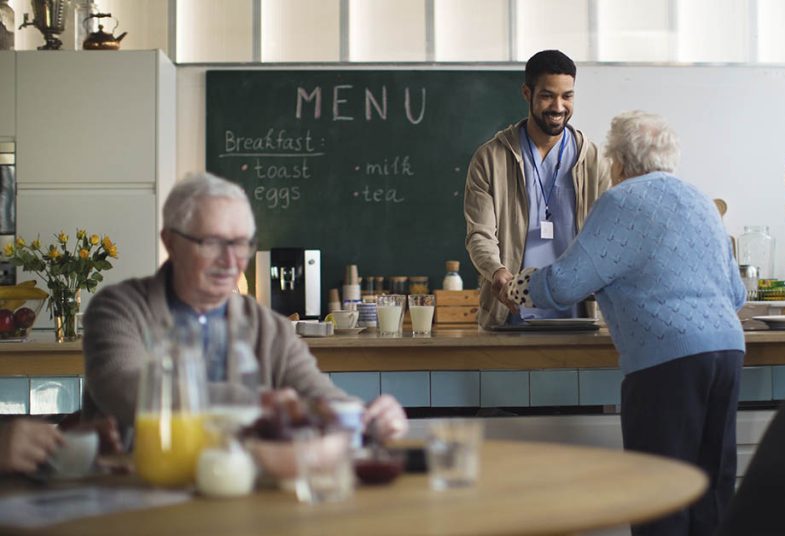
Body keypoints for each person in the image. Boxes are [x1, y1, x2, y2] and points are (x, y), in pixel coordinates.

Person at [508, 111, 746, 536]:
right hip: (727, 350)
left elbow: (566, 283)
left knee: (659, 495)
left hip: (667, 359)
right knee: (713, 491)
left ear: (618, 161)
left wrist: (518, 287)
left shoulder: (622, 201)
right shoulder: (700, 200)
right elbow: (737, 293)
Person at [82, 172, 407, 440]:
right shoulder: (119, 309)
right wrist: (255, 404)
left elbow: (320, 397)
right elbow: (127, 390)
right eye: (212, 242)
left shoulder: (270, 327)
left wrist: (368, 418)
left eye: (240, 244)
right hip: (141, 487)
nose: (230, 261)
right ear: (171, 242)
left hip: (242, 487)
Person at [464, 49, 610, 329]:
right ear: (527, 93)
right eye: (547, 96)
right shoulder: (490, 159)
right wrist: (496, 271)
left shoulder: (594, 160)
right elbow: (480, 234)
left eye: (567, 96)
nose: (558, 107)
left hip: (581, 317)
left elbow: (608, 237)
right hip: (509, 317)